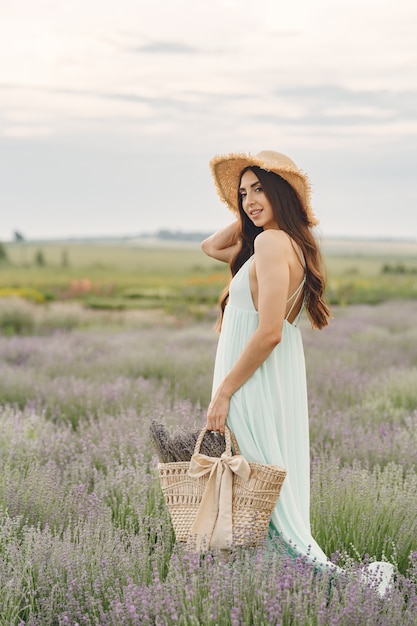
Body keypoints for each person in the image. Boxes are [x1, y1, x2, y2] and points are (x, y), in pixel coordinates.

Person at [201, 150, 393, 593]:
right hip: (264, 380)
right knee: (255, 487)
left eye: (260, 189)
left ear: (282, 193)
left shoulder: (271, 243)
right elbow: (210, 247)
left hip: (247, 383)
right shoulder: (279, 241)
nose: (249, 200)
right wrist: (249, 213)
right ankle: (274, 588)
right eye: (242, 193)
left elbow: (269, 332)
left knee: (249, 487)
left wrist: (225, 392)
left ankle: (294, 589)